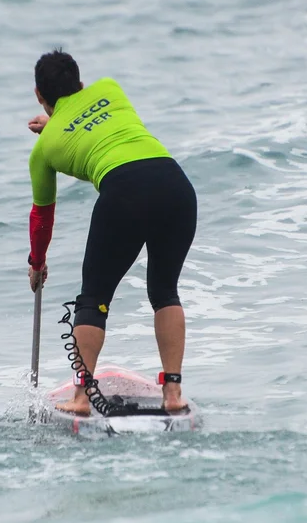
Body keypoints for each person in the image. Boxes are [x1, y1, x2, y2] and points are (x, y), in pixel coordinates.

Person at [25, 49, 197, 415]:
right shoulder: (110, 88)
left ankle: (80, 399)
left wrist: (37, 262)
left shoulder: (43, 150)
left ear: (39, 96)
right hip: (176, 185)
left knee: (94, 299)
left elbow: (42, 217)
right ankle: (173, 395)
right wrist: (56, 122)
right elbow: (89, 117)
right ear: (81, 82)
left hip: (124, 194)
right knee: (165, 291)